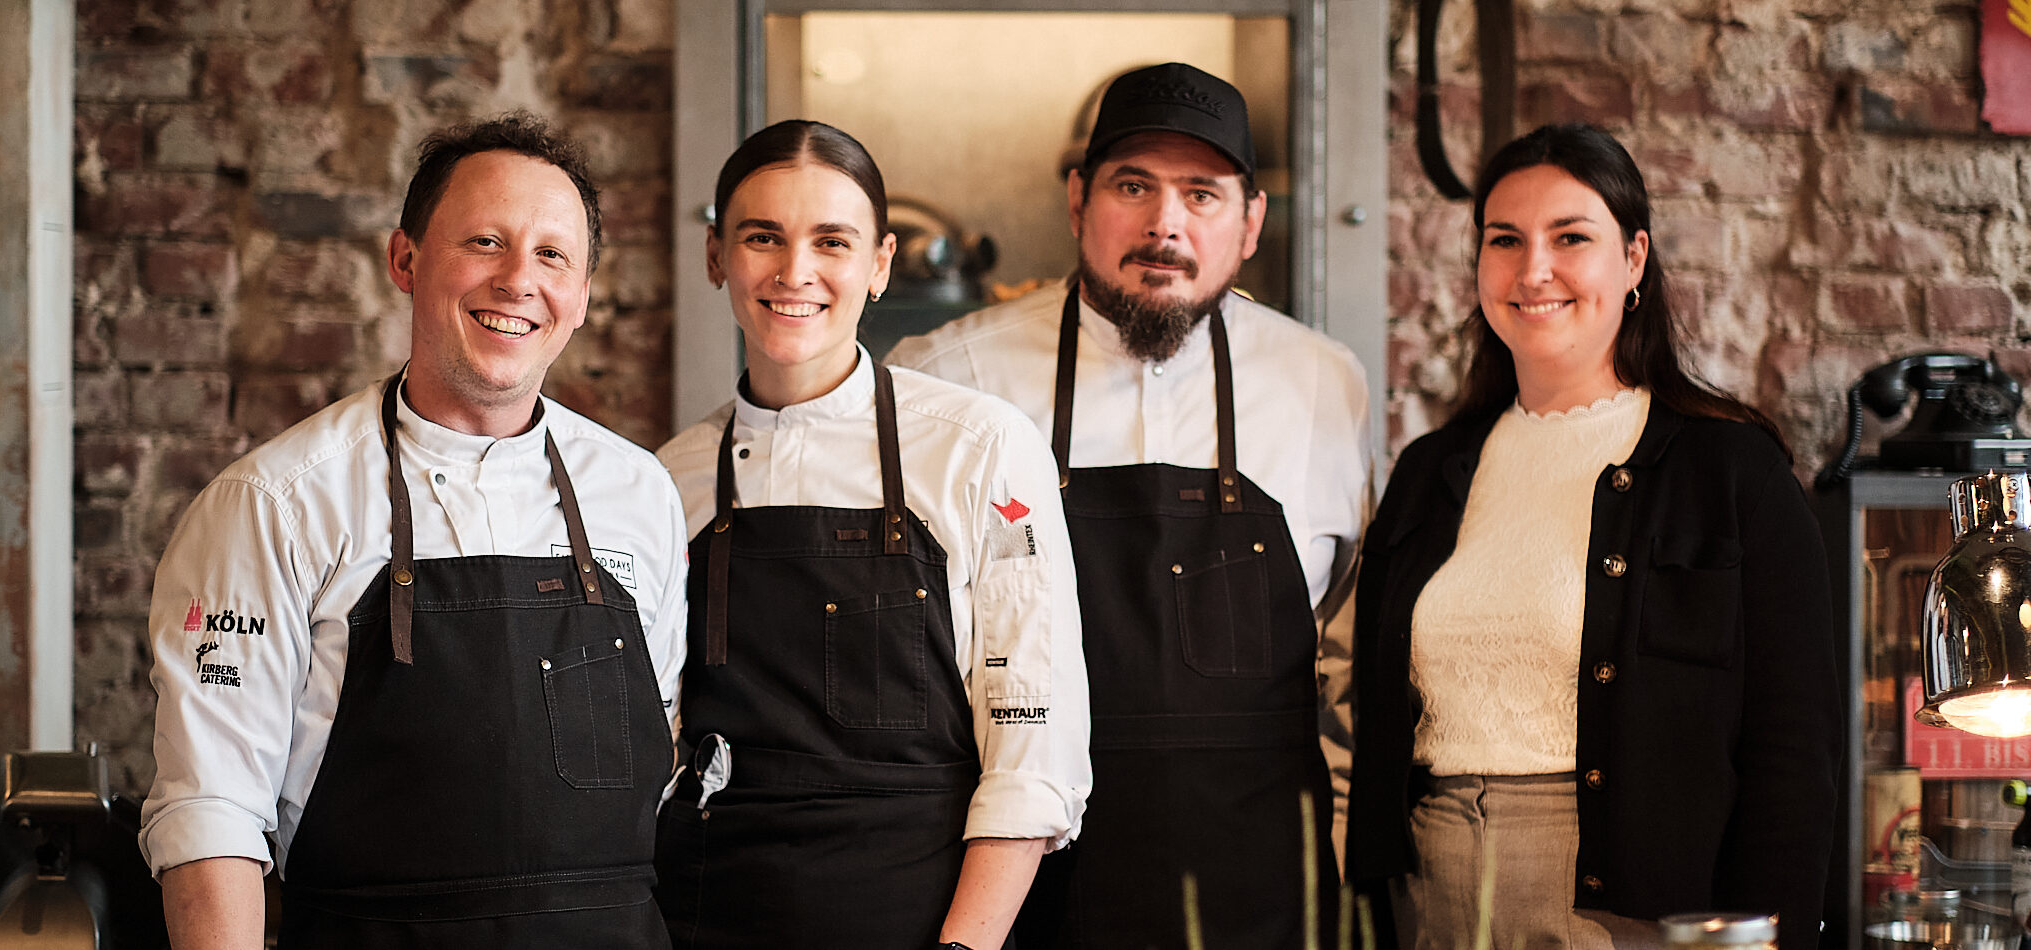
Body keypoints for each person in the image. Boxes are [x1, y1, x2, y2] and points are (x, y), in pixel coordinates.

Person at [138, 113, 686, 950]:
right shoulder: (273, 504)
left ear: (580, 296)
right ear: (405, 260)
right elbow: (211, 813)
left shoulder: (638, 493)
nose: (517, 281)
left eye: (552, 256)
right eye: (484, 243)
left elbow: (661, 754)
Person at [887, 63, 1370, 948]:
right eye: (1134, 186)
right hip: (1031, 888)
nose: (1166, 224)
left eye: (1202, 193)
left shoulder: (1323, 384)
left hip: (1262, 891)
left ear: (1252, 222)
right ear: (1078, 200)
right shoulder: (947, 377)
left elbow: (1346, 652)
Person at [1345, 123, 1839, 950]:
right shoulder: (1428, 471)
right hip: (1431, 894)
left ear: (1635, 259)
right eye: (1505, 240)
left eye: (1570, 237)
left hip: (1626, 907)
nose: (1533, 269)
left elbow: (1796, 753)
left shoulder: (1730, 470)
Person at [654, 119, 1091, 950]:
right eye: (761, 237)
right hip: (708, 914)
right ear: (716, 256)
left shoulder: (982, 448)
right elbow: (653, 748)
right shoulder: (667, 480)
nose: (795, 273)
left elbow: (1035, 748)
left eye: (832, 241)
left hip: (922, 919)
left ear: (881, 264)